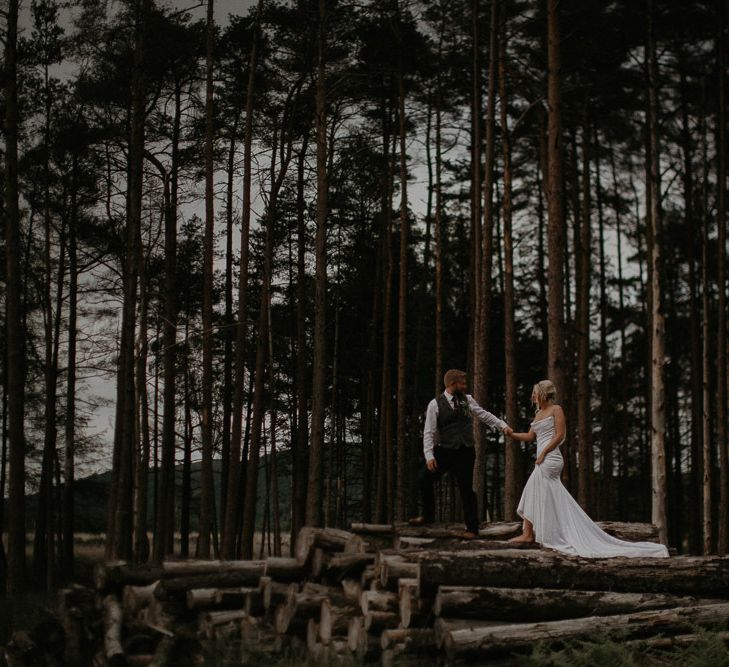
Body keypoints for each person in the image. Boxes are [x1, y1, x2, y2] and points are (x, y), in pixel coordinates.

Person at [505, 379, 669, 558]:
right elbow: (530, 436)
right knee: (541, 490)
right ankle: (534, 531)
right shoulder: (538, 414)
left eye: (535, 393)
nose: (533, 396)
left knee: (534, 486)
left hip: (551, 458)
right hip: (542, 458)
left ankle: (529, 533)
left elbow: (560, 435)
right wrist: (511, 434)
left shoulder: (556, 410)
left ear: (543, 394)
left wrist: (544, 452)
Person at [409, 369, 510, 539]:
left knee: (466, 489)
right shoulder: (435, 404)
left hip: (465, 450)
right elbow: (429, 432)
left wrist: (502, 425)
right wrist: (429, 456)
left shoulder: (467, 400)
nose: (465, 386)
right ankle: (428, 516)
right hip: (445, 450)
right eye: (462, 383)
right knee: (424, 479)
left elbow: (483, 415)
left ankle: (472, 528)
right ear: (452, 384)